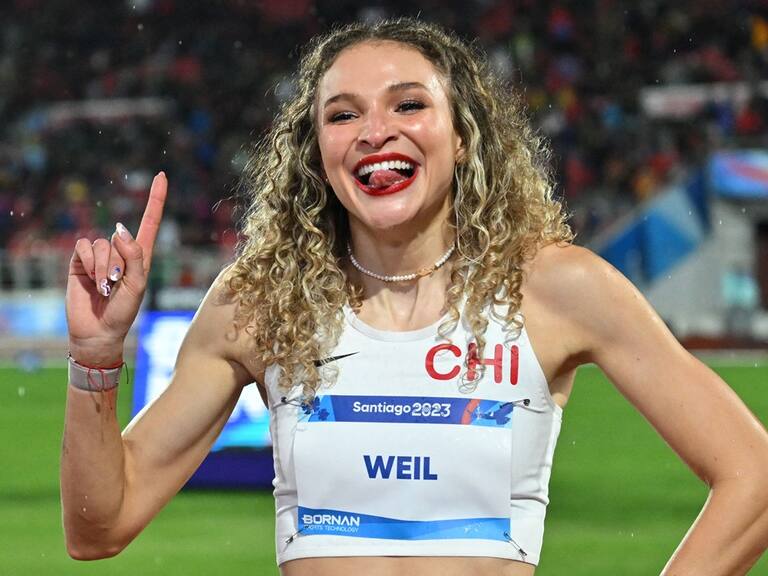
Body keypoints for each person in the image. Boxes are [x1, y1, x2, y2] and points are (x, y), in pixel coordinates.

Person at [61, 18, 768, 576]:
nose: (375, 133)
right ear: (316, 150)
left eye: (408, 104)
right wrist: (96, 355)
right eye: (342, 115)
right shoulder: (260, 301)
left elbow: (755, 476)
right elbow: (98, 526)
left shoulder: (558, 289)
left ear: (462, 136)